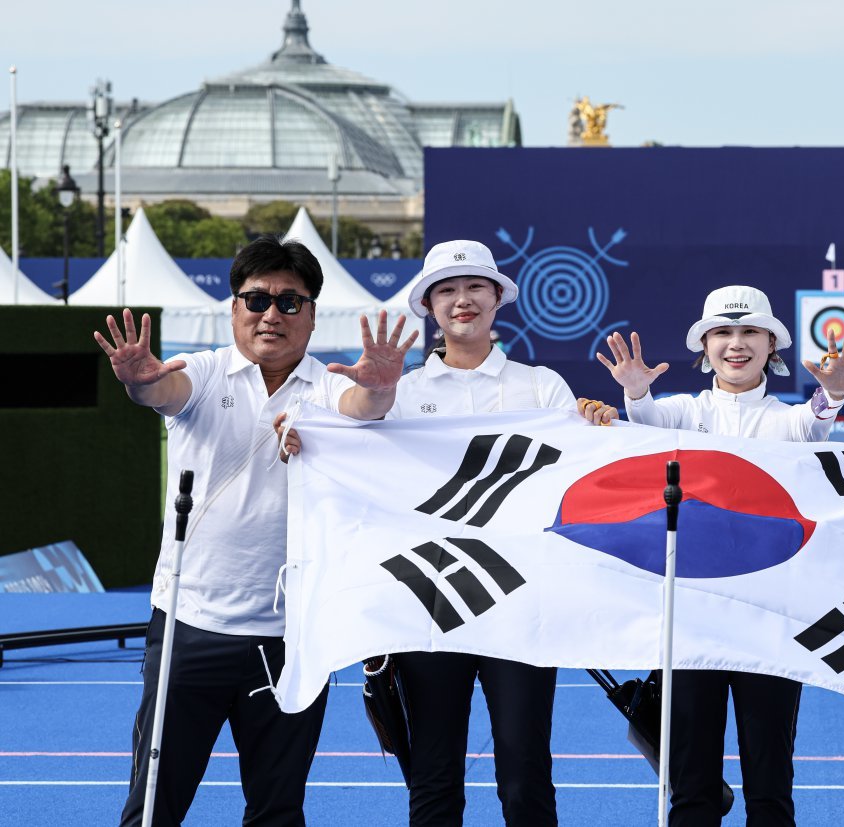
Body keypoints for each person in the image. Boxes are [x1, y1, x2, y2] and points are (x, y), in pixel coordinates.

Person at [278, 239, 612, 827]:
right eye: (448, 290)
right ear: (430, 306)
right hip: (429, 603)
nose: (463, 300)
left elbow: (581, 476)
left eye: (475, 287)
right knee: (433, 780)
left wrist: (602, 424)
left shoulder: (543, 387)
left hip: (524, 605)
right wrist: (307, 432)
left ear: (497, 299)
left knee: (525, 774)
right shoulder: (399, 393)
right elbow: (351, 444)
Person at [97, 236, 416, 826]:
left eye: (290, 303)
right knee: (153, 806)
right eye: (257, 300)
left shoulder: (327, 386)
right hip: (190, 625)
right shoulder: (206, 370)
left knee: (277, 808)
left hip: (292, 635)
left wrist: (379, 386)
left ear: (313, 315)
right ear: (234, 308)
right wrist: (138, 381)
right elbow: (162, 391)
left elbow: (360, 408)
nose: (272, 315)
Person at [595, 285, 844, 826]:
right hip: (689, 625)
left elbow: (814, 422)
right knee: (692, 791)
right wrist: (632, 396)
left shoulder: (789, 421)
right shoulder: (676, 413)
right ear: (704, 346)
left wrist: (833, 396)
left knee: (770, 791)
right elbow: (643, 428)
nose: (736, 344)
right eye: (723, 332)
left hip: (771, 623)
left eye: (750, 333)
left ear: (773, 345)